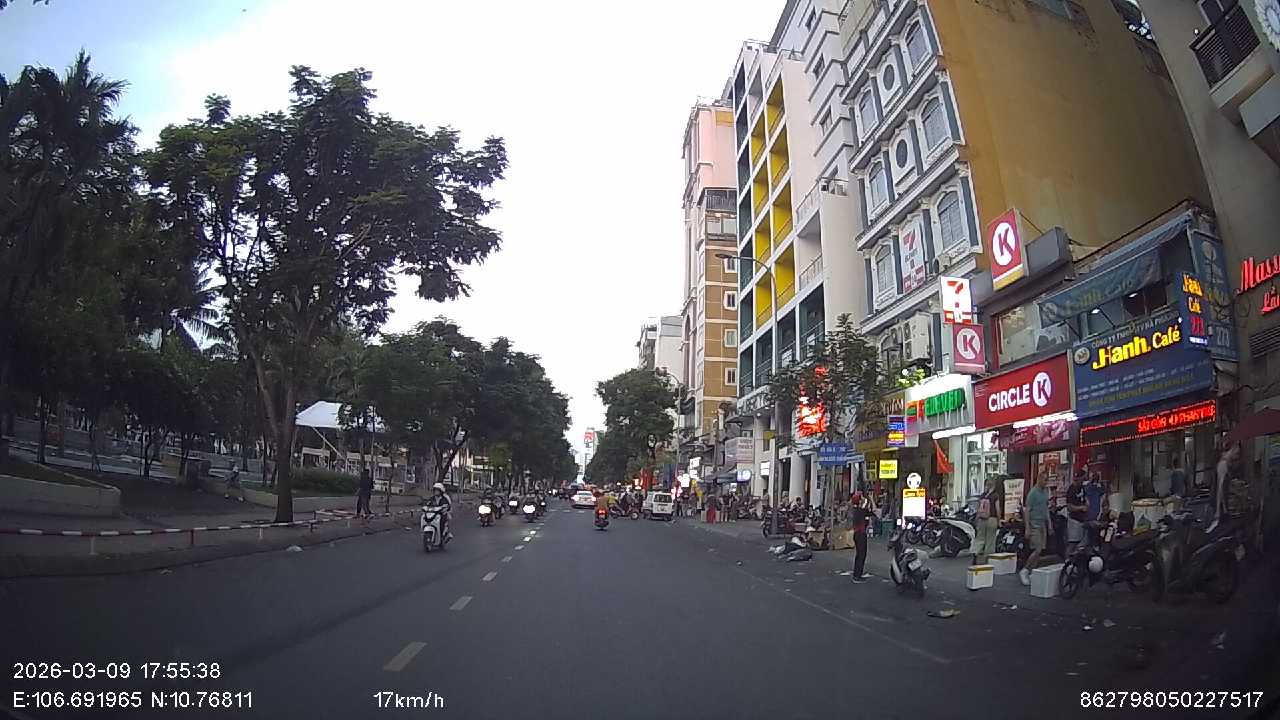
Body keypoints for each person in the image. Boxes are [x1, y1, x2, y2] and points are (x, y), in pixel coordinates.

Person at [1020, 474, 1053, 586]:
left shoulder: (1045, 492)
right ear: (1039, 479)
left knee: (1040, 551)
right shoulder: (1032, 493)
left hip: (1042, 524)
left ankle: (1031, 572)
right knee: (1037, 549)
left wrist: (1049, 524)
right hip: (1034, 525)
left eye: (1047, 480)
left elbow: (1046, 509)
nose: (1046, 482)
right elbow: (1027, 511)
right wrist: (1027, 528)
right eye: (1045, 480)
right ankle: (1025, 570)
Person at [972, 476, 1003, 565]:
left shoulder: (982, 496)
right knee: (990, 541)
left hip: (982, 520)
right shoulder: (995, 496)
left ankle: (976, 553)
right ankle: (987, 561)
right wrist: (999, 520)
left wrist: (977, 519)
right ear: (994, 485)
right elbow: (997, 509)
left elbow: (979, 509)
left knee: (980, 539)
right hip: (992, 520)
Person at [849, 491, 875, 583]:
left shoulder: (856, 510)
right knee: (861, 555)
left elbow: (870, 510)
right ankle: (857, 576)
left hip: (858, 534)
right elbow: (873, 509)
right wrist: (871, 498)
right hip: (860, 534)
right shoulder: (860, 511)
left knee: (859, 555)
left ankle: (857, 574)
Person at [1064, 471, 1088, 556]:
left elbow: (1084, 499)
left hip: (1082, 520)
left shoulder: (1082, 488)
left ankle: (1075, 560)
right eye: (1083, 479)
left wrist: (1087, 502)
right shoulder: (1071, 490)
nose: (1084, 480)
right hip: (1074, 520)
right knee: (1072, 543)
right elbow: (1069, 507)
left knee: (1081, 544)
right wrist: (1080, 508)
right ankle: (1067, 560)